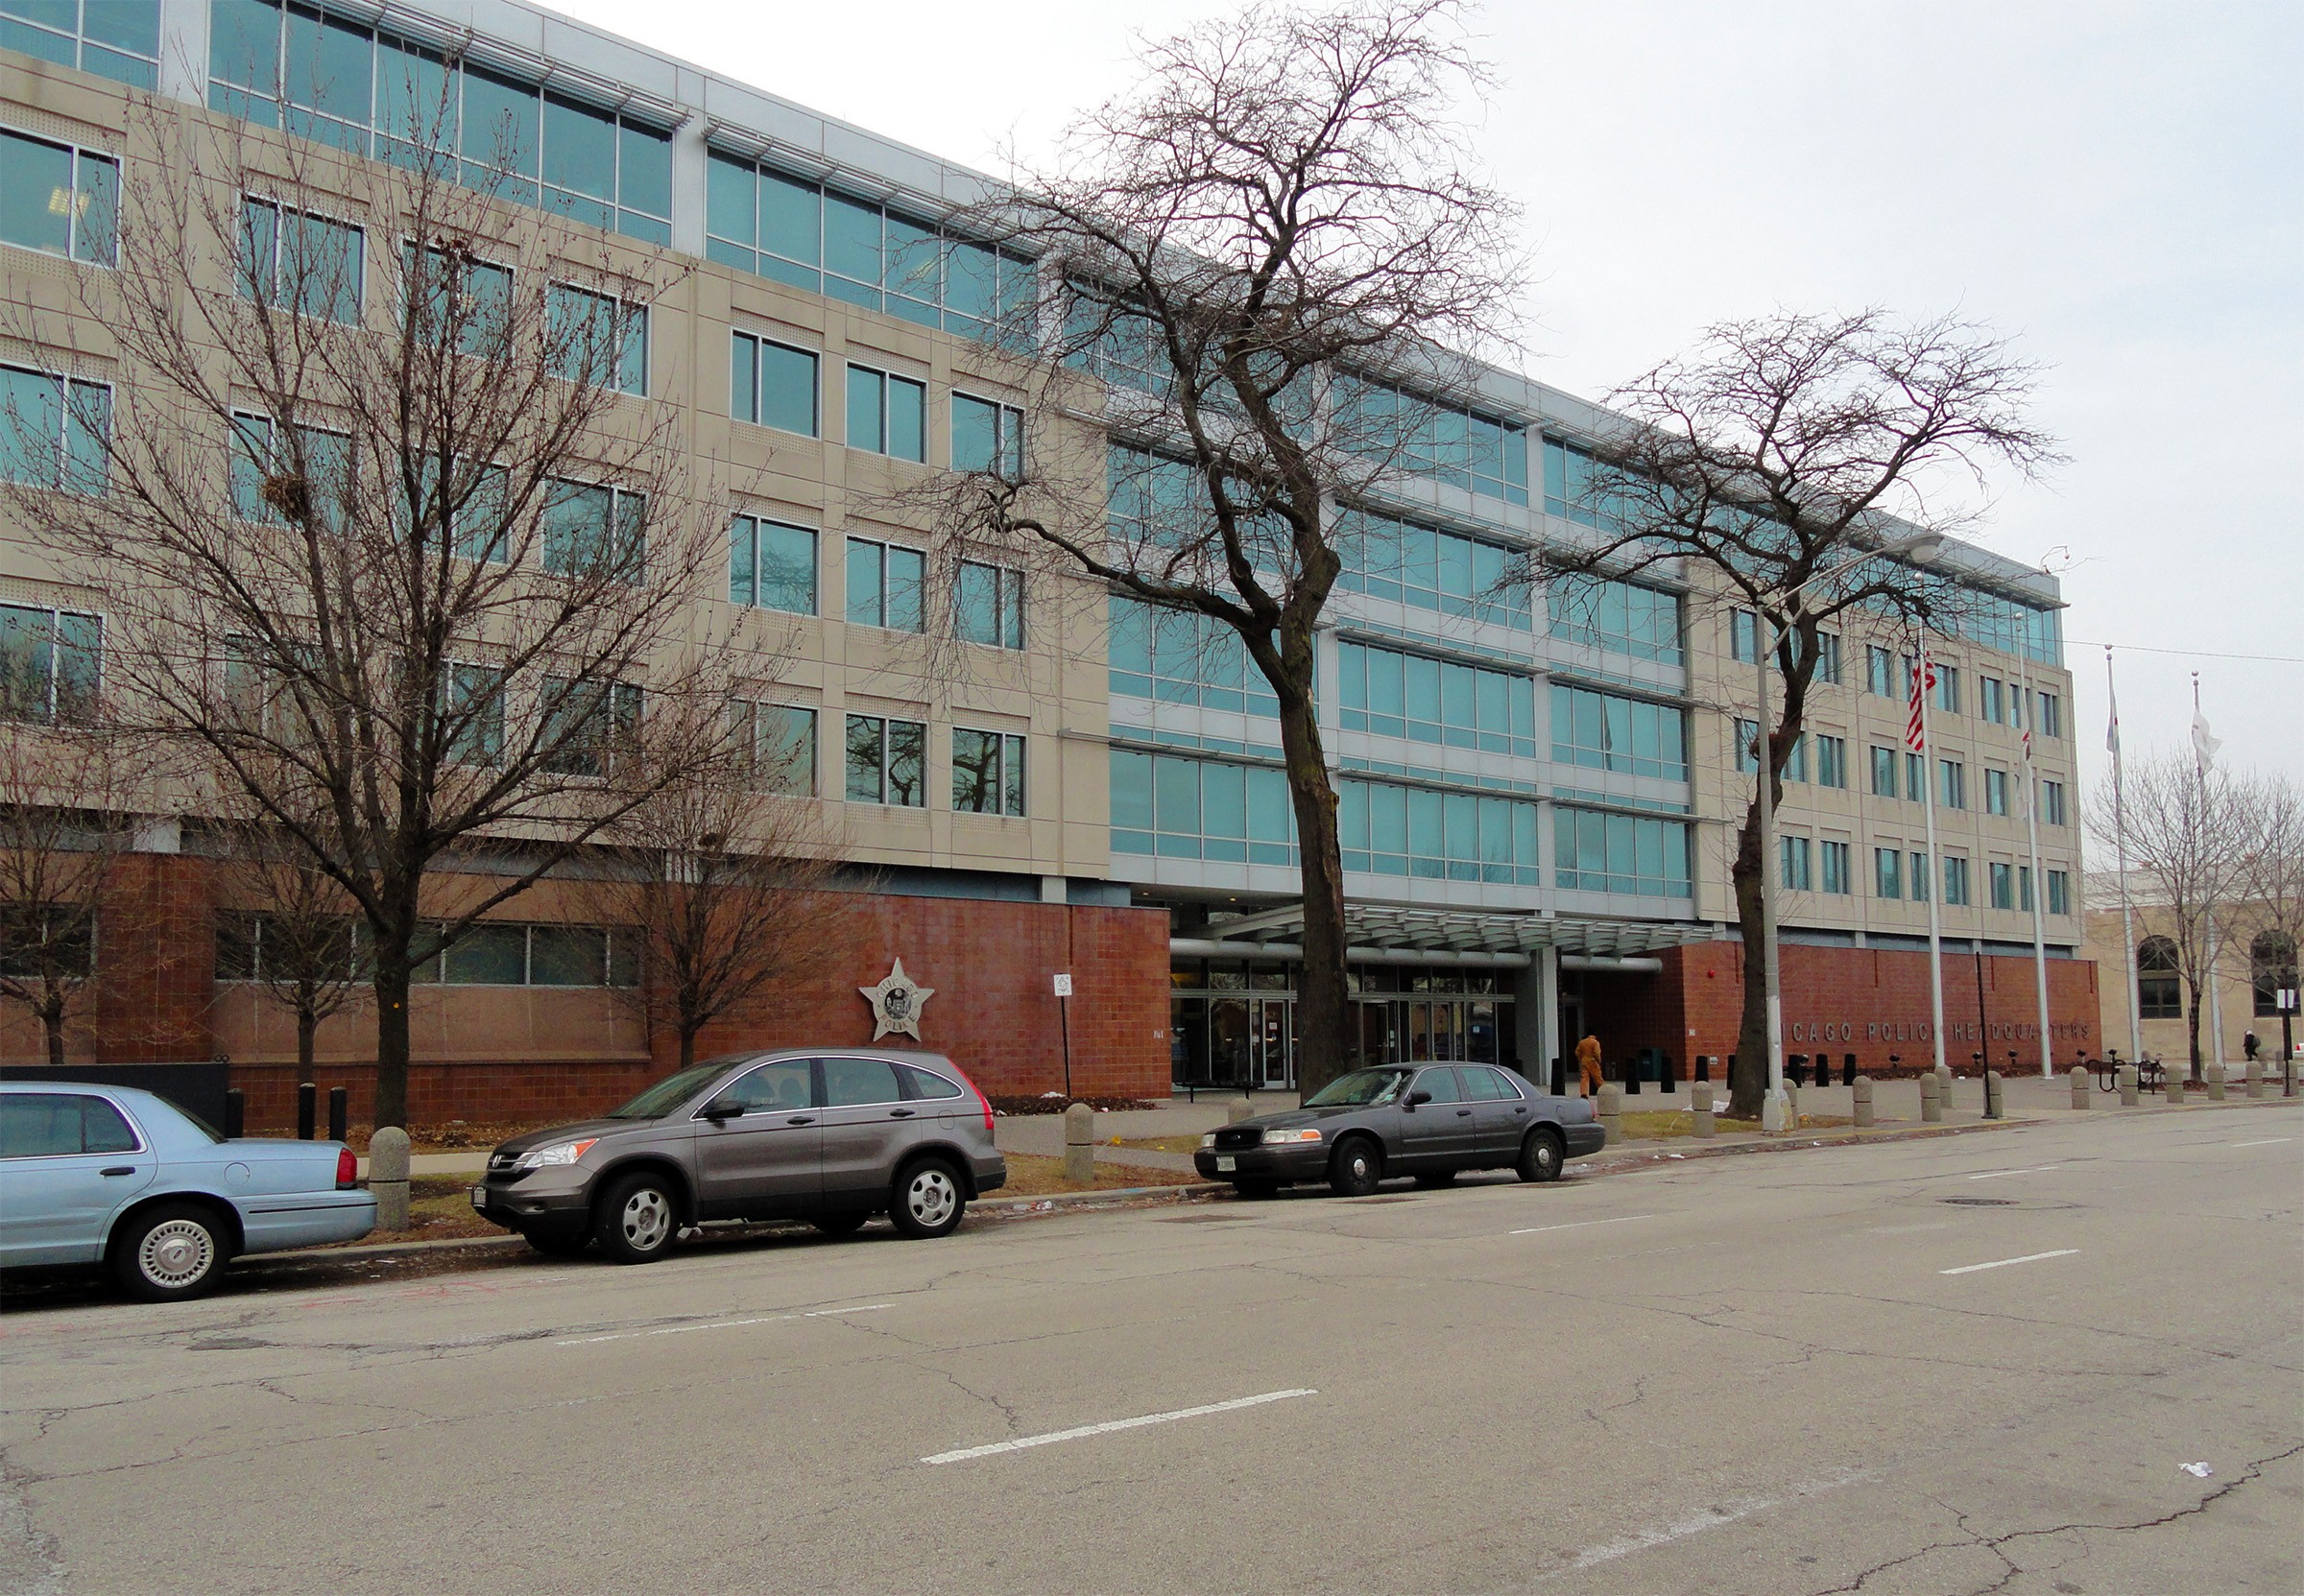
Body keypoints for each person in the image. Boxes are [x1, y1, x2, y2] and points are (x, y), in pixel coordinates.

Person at [1575, 1034, 1603, 1098]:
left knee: (1584, 1078)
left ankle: (1583, 1093)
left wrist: (1581, 1058)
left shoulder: (1582, 1042)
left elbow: (1577, 1052)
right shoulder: (1595, 1042)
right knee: (1597, 1076)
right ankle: (1603, 1090)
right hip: (1592, 1061)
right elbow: (1597, 1053)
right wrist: (1598, 1060)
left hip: (1584, 1061)